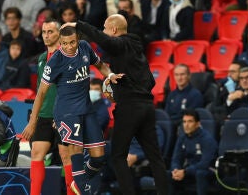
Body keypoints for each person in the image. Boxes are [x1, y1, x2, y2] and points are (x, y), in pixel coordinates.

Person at [62, 14, 169, 195]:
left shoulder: (121, 44)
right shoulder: (137, 49)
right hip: (147, 107)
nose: (103, 31)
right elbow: (150, 81)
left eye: (105, 28)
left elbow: (104, 41)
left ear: (113, 30)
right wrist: (123, 90)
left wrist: (78, 25)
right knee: (155, 157)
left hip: (129, 108)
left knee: (118, 156)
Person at [22, 25, 122, 194]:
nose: (69, 47)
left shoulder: (84, 47)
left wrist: (110, 75)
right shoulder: (55, 62)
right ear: (60, 43)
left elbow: (100, 65)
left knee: (99, 157)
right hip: (66, 113)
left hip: (87, 110)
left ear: (78, 40)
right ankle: (81, 188)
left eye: (72, 42)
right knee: (73, 154)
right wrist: (33, 122)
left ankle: (77, 185)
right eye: (65, 43)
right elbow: (40, 94)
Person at [24, 18, 74, 195]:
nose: (46, 35)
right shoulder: (42, 58)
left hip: (64, 114)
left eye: (50, 32)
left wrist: (63, 113)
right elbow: (40, 90)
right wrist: (33, 118)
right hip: (44, 114)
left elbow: (71, 87)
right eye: (44, 32)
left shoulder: (68, 56)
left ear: (59, 34)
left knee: (66, 156)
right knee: (37, 152)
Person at [168, 109, 218, 195]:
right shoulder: (182, 138)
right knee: (167, 174)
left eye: (190, 121)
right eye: (184, 122)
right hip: (189, 171)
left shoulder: (207, 139)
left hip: (208, 171)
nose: (186, 125)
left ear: (198, 124)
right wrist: (175, 169)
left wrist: (185, 171)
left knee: (200, 173)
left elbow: (205, 163)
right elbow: (176, 158)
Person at [165, 64, 204, 128]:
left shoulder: (196, 95)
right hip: (170, 127)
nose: (179, 78)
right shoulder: (171, 95)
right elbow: (166, 115)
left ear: (189, 76)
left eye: (182, 74)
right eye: (176, 75)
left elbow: (190, 117)